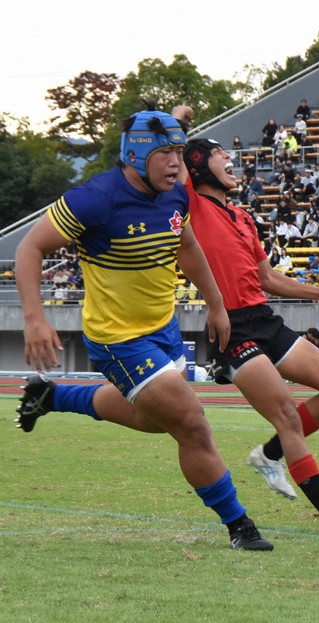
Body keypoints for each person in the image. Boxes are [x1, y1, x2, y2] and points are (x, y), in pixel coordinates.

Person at [14, 109, 272, 551]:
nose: (178, 164)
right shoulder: (95, 198)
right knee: (191, 423)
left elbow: (186, 245)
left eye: (180, 153)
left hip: (164, 330)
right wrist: (35, 318)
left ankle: (52, 396)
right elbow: (29, 247)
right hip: (117, 339)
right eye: (167, 154)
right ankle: (240, 526)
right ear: (135, 155)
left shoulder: (175, 195)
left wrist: (215, 304)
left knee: (155, 421)